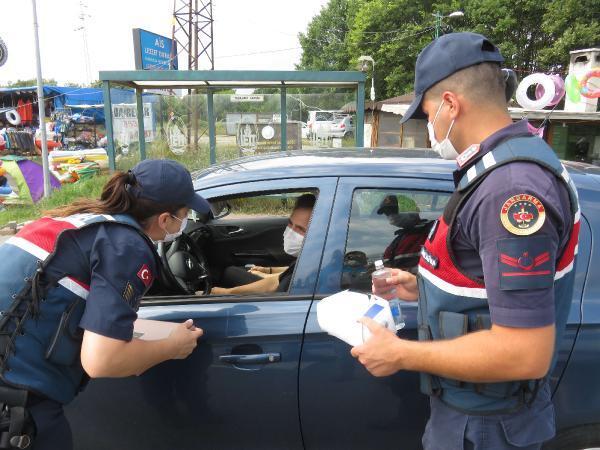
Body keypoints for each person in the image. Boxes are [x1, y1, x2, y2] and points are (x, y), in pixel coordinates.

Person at [350, 32, 580, 450]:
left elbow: (524, 352)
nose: (427, 129)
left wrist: (401, 354)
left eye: (426, 115)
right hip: (476, 412)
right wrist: (422, 289)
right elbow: (488, 286)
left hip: (488, 426)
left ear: (451, 104)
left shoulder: (510, 190)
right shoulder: (500, 167)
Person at [0, 159, 208, 450]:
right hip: (16, 404)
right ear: (164, 219)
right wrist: (172, 347)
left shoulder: (84, 219)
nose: (184, 223)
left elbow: (79, 309)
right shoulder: (127, 246)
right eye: (184, 215)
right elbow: (101, 360)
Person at [211, 193, 316, 295]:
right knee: (231, 271)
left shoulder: (315, 266)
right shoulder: (314, 256)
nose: (291, 231)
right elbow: (291, 271)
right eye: (290, 223)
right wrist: (267, 270)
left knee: (229, 273)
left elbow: (273, 285)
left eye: (301, 229)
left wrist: (226, 292)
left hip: (277, 300)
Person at [377, 195, 430, 271]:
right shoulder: (400, 238)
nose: (391, 216)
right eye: (387, 213)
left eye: (394, 211)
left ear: (411, 210)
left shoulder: (431, 233)